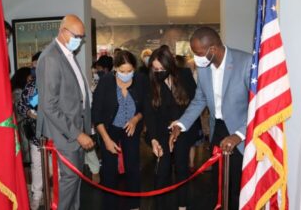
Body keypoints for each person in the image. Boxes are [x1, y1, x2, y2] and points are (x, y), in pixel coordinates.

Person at [169, 27, 252, 210]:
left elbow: (257, 105)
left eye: (198, 53)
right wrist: (181, 124)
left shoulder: (245, 62)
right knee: (219, 181)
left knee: (238, 185)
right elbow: (200, 99)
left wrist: (239, 134)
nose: (195, 58)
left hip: (242, 130)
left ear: (213, 49)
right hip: (218, 128)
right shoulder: (204, 66)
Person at [36, 14, 94, 210]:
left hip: (74, 129)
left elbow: (75, 94)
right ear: (63, 32)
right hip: (64, 133)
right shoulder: (51, 57)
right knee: (69, 181)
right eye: (77, 36)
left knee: (74, 180)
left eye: (82, 36)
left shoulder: (67, 54)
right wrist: (78, 134)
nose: (79, 40)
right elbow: (49, 105)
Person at [145, 46, 200, 210]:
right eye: (155, 69)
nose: (158, 72)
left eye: (162, 68)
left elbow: (194, 103)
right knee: (162, 170)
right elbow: (150, 112)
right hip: (161, 130)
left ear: (170, 66)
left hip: (183, 128)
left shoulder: (184, 75)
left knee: (182, 168)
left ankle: (182, 205)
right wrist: (153, 138)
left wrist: (180, 122)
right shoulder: (150, 80)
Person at [92, 50, 146, 210]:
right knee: (109, 169)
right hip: (109, 129)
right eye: (122, 71)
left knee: (133, 167)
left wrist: (136, 119)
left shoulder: (141, 81)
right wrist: (107, 140)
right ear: (115, 68)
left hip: (131, 128)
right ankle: (109, 205)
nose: (126, 74)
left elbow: (146, 107)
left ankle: (134, 206)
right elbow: (96, 113)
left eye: (130, 71)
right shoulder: (106, 82)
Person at [17, 52, 42, 210]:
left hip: (58, 133)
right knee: (36, 165)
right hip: (35, 133)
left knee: (61, 166)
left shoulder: (59, 82)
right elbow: (20, 105)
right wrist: (27, 112)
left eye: (38, 65)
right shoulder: (30, 86)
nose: (35, 69)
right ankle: (37, 195)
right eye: (33, 66)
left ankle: (61, 195)